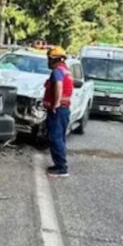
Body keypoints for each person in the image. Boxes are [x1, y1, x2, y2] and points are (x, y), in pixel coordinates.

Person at [43, 46, 73, 178]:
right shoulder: (66, 71)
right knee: (59, 138)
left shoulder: (57, 71)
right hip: (64, 110)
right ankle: (59, 165)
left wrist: (55, 103)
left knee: (55, 138)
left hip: (58, 110)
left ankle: (61, 168)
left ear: (53, 59)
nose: (48, 62)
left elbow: (59, 86)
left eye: (49, 59)